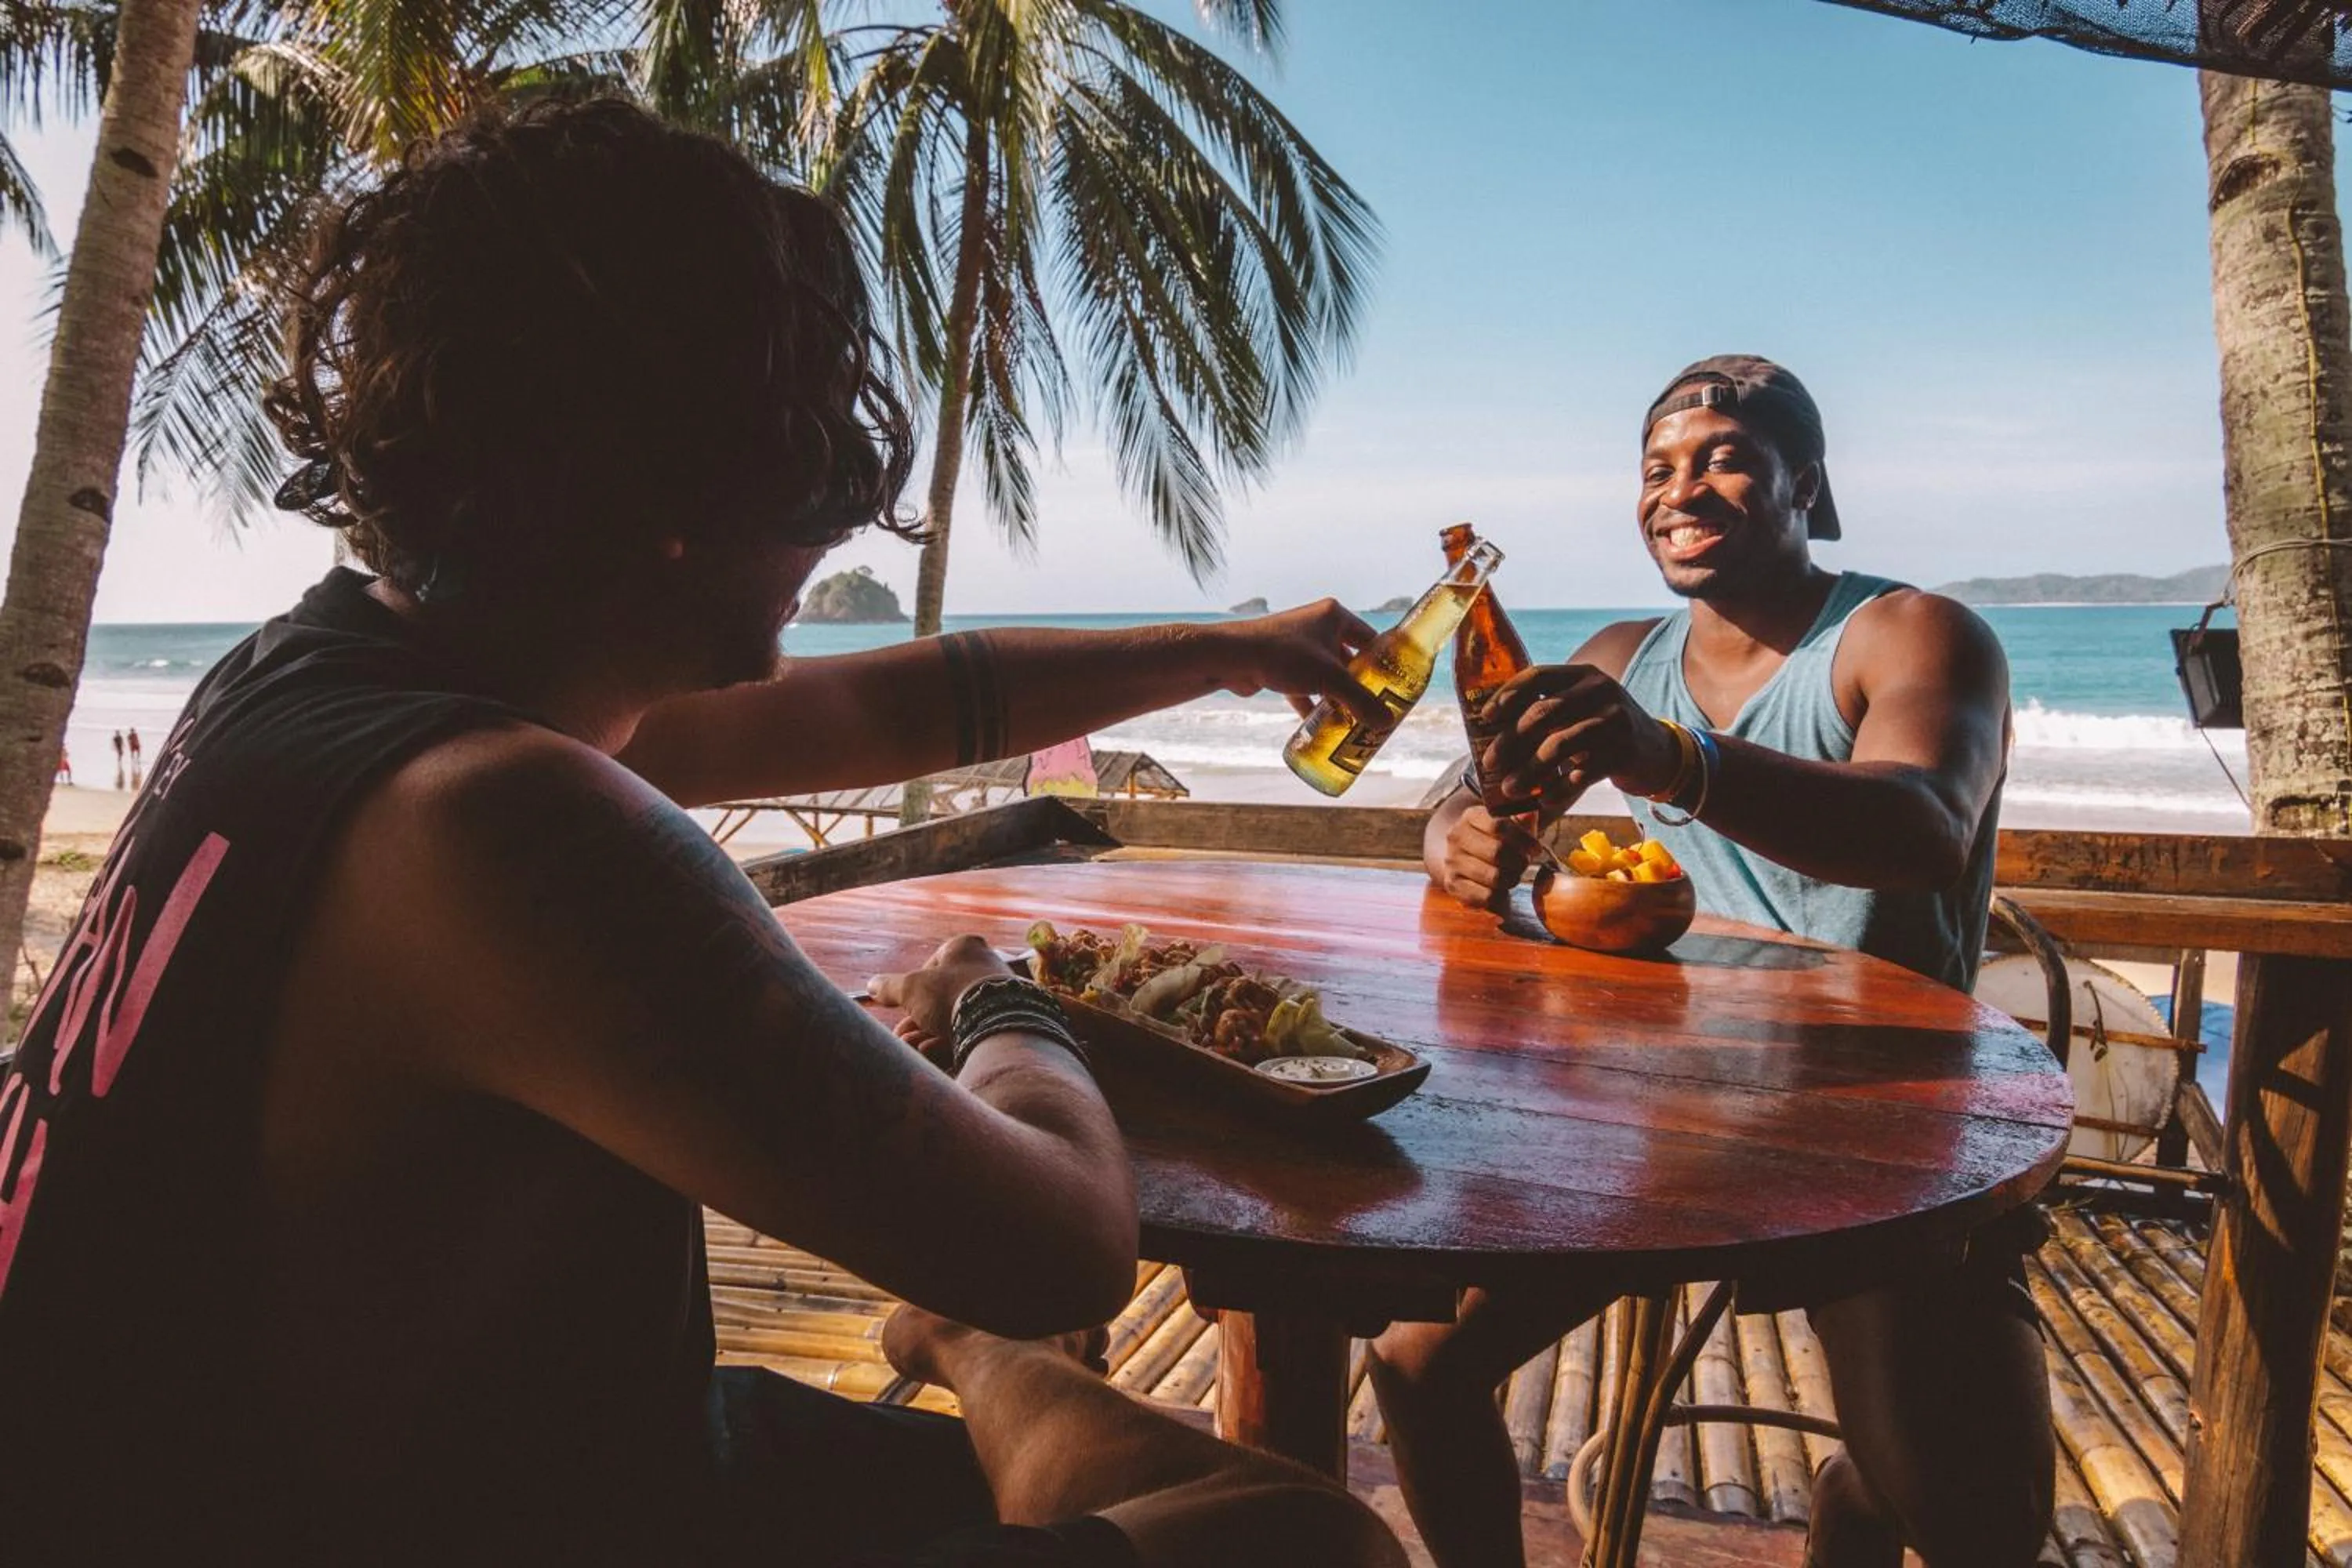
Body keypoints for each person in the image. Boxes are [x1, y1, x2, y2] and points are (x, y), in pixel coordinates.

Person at [0, 98, 1404, 1568]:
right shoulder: (501, 827)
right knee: (1303, 1546)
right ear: (688, 478)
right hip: (385, 1524)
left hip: (366, 1462)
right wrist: (1004, 1005)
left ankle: (985, 1371)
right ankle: (993, 1368)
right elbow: (1058, 1241)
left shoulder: (325, 684)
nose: (831, 535)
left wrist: (1230, 648)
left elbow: (889, 714)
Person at [1374, 357, 2047, 1568]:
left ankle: (1864, 1493)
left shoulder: (1908, 635)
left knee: (1975, 1523)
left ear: (1807, 485)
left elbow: (1922, 827)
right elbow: (1463, 796)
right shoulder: (1623, 653)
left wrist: (1676, 761)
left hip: (1876, 1119)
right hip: (1652, 1113)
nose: (1683, 488)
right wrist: (1454, 836)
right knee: (1416, 1363)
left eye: (1726, 456)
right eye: (1658, 468)